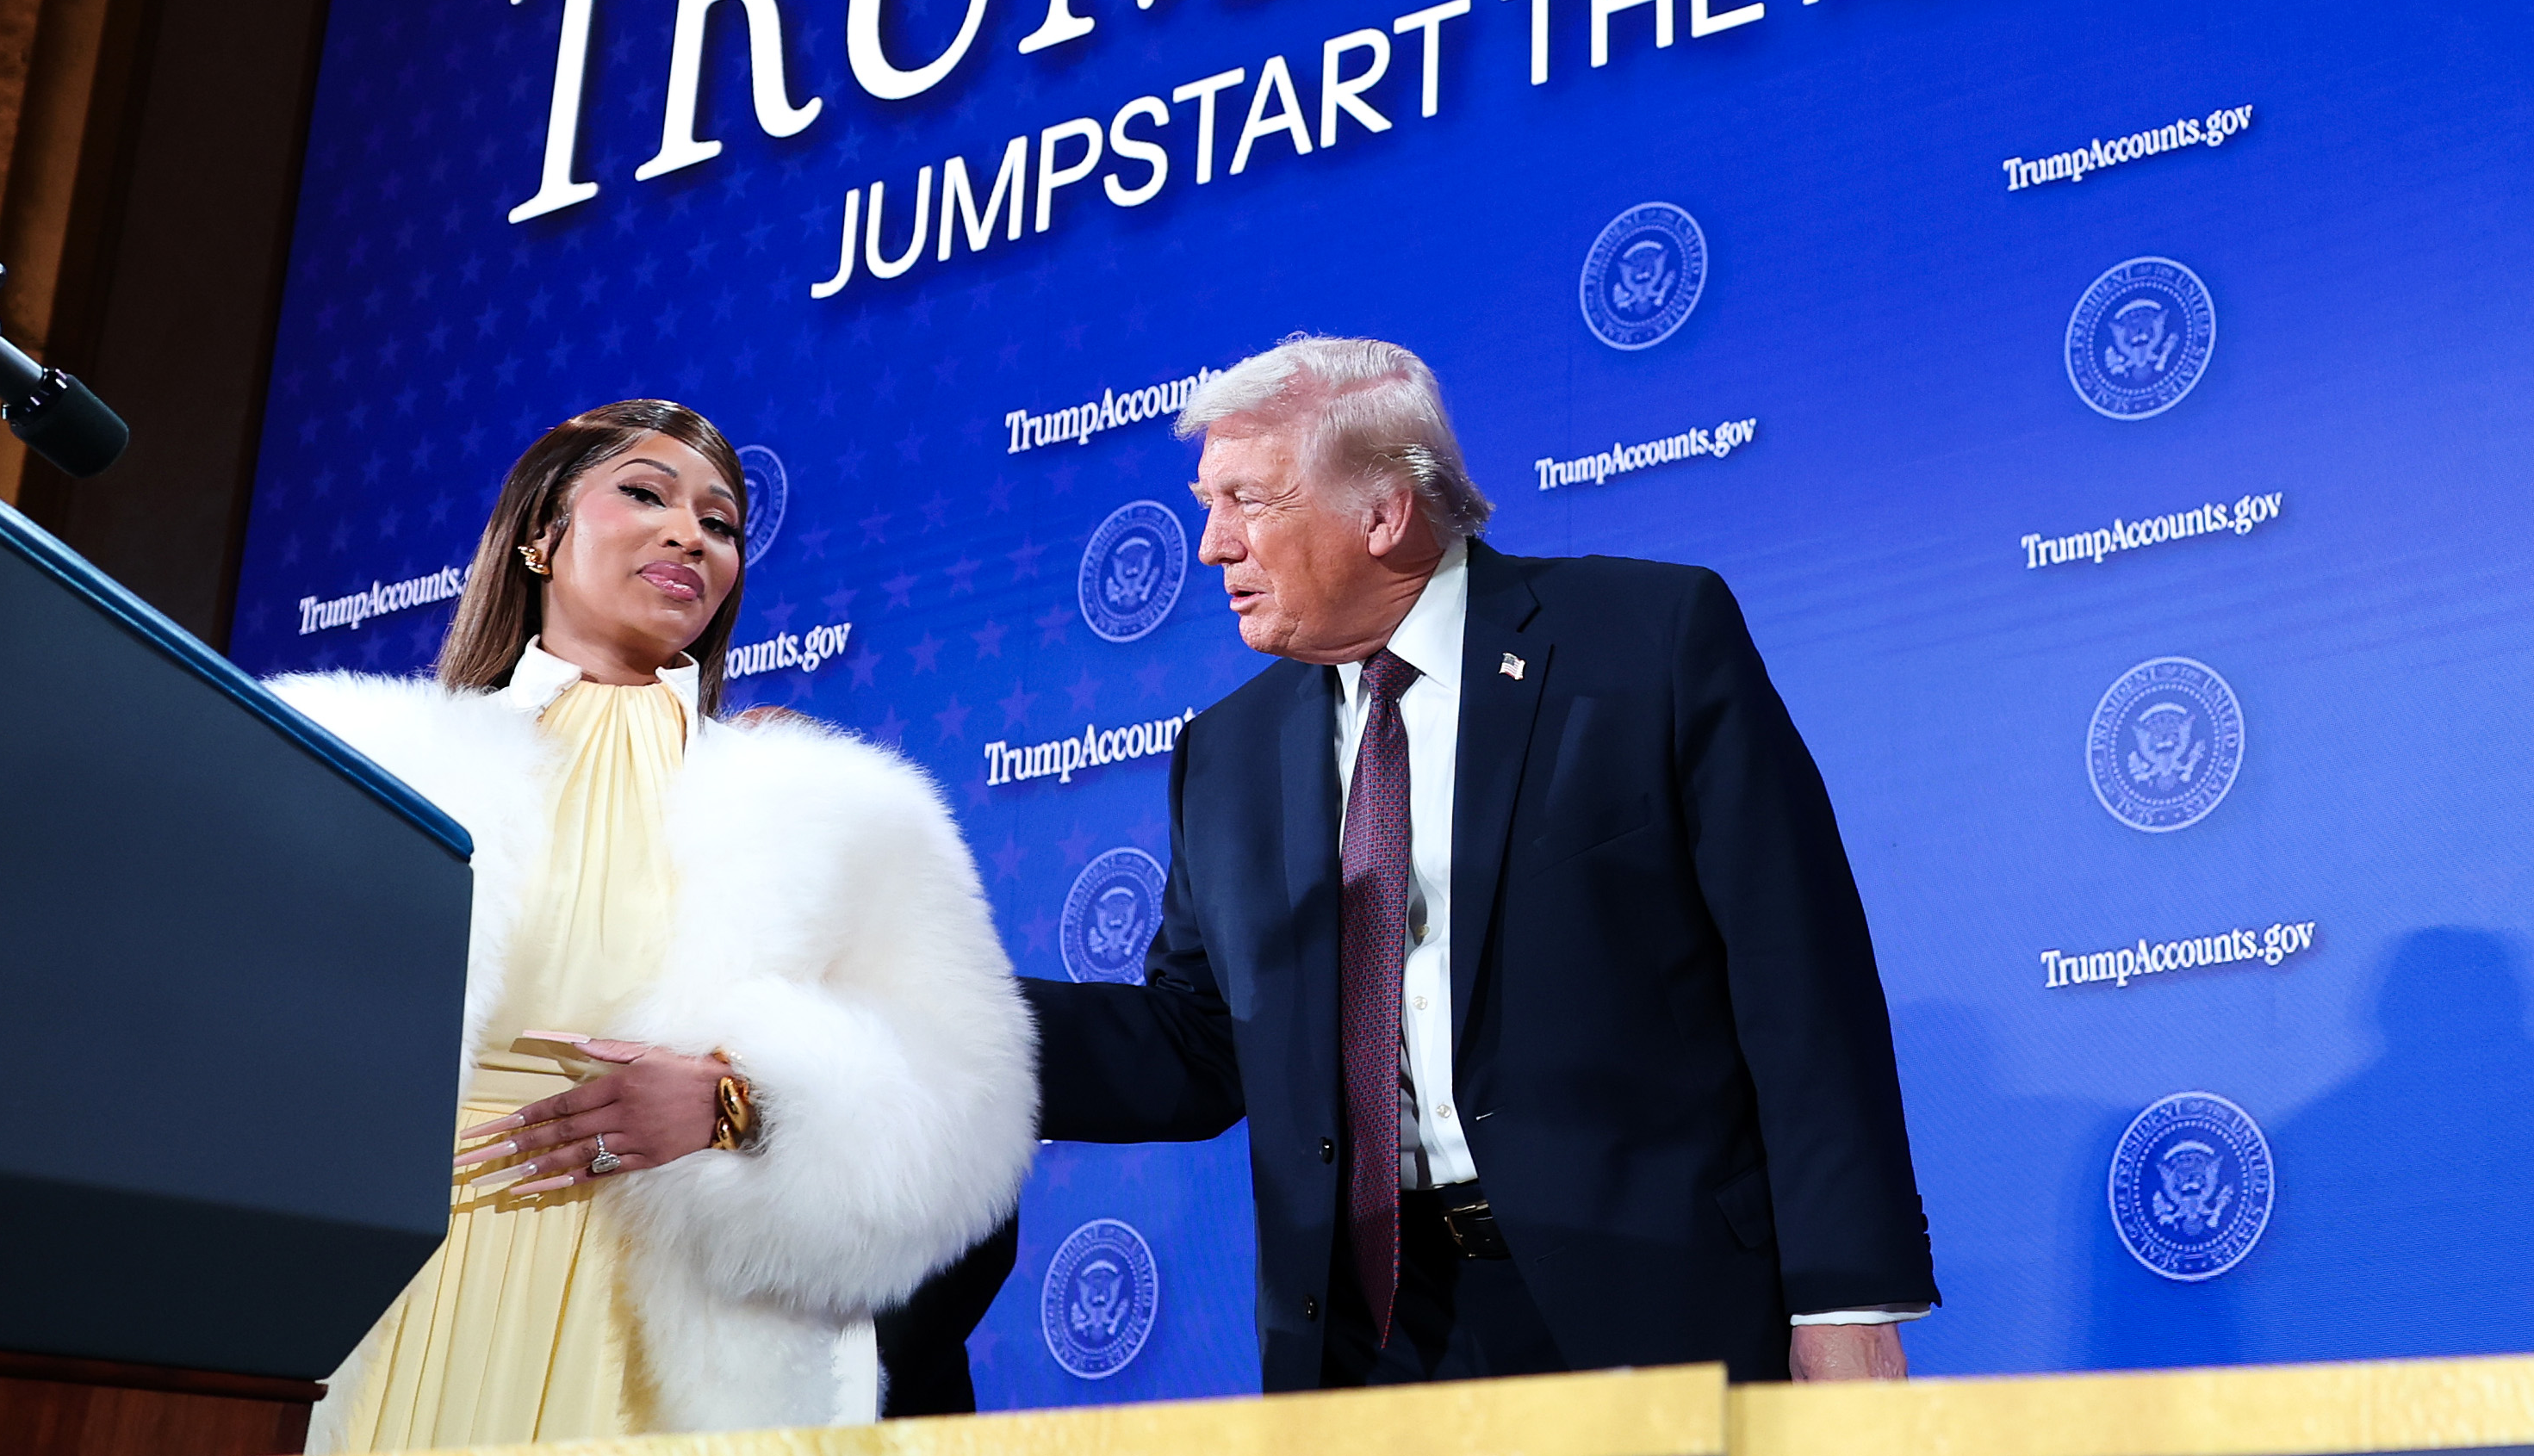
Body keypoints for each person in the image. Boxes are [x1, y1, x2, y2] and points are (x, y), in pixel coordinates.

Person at [1026, 335, 1936, 1389]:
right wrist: (927, 1024)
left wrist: (1845, 1297)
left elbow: (1799, 982)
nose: (1210, 547)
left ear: (1383, 512)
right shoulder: (1223, 756)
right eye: (1205, 504)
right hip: (1369, 1344)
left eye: (1248, 503)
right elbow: (1194, 1045)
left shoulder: (1645, 643)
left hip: (1651, 1312)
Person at [271, 400, 1034, 1444]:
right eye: (644, 494)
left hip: (673, 1328)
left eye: (720, 523)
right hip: (394, 1299)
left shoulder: (833, 809)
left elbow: (964, 1114)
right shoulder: (365, 762)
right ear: (541, 534)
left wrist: (738, 1107)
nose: (691, 535)